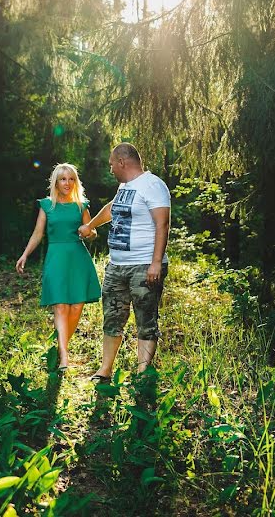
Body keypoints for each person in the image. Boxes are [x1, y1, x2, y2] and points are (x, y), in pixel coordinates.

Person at [78, 143, 170, 380]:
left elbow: (163, 224)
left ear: (122, 162)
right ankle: (105, 370)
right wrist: (90, 225)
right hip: (117, 265)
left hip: (144, 265)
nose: (110, 169)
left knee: (145, 319)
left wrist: (156, 263)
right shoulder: (125, 187)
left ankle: (142, 373)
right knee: (112, 317)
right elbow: (112, 209)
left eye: (111, 164)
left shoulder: (153, 185)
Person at [16, 163, 101, 371]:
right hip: (56, 258)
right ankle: (64, 355)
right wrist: (25, 254)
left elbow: (92, 233)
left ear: (76, 182)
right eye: (63, 179)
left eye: (71, 179)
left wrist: (89, 233)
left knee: (77, 306)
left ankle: (62, 343)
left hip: (78, 258)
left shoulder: (82, 205)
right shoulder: (47, 205)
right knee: (61, 306)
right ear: (55, 181)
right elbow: (38, 233)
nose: (67, 183)